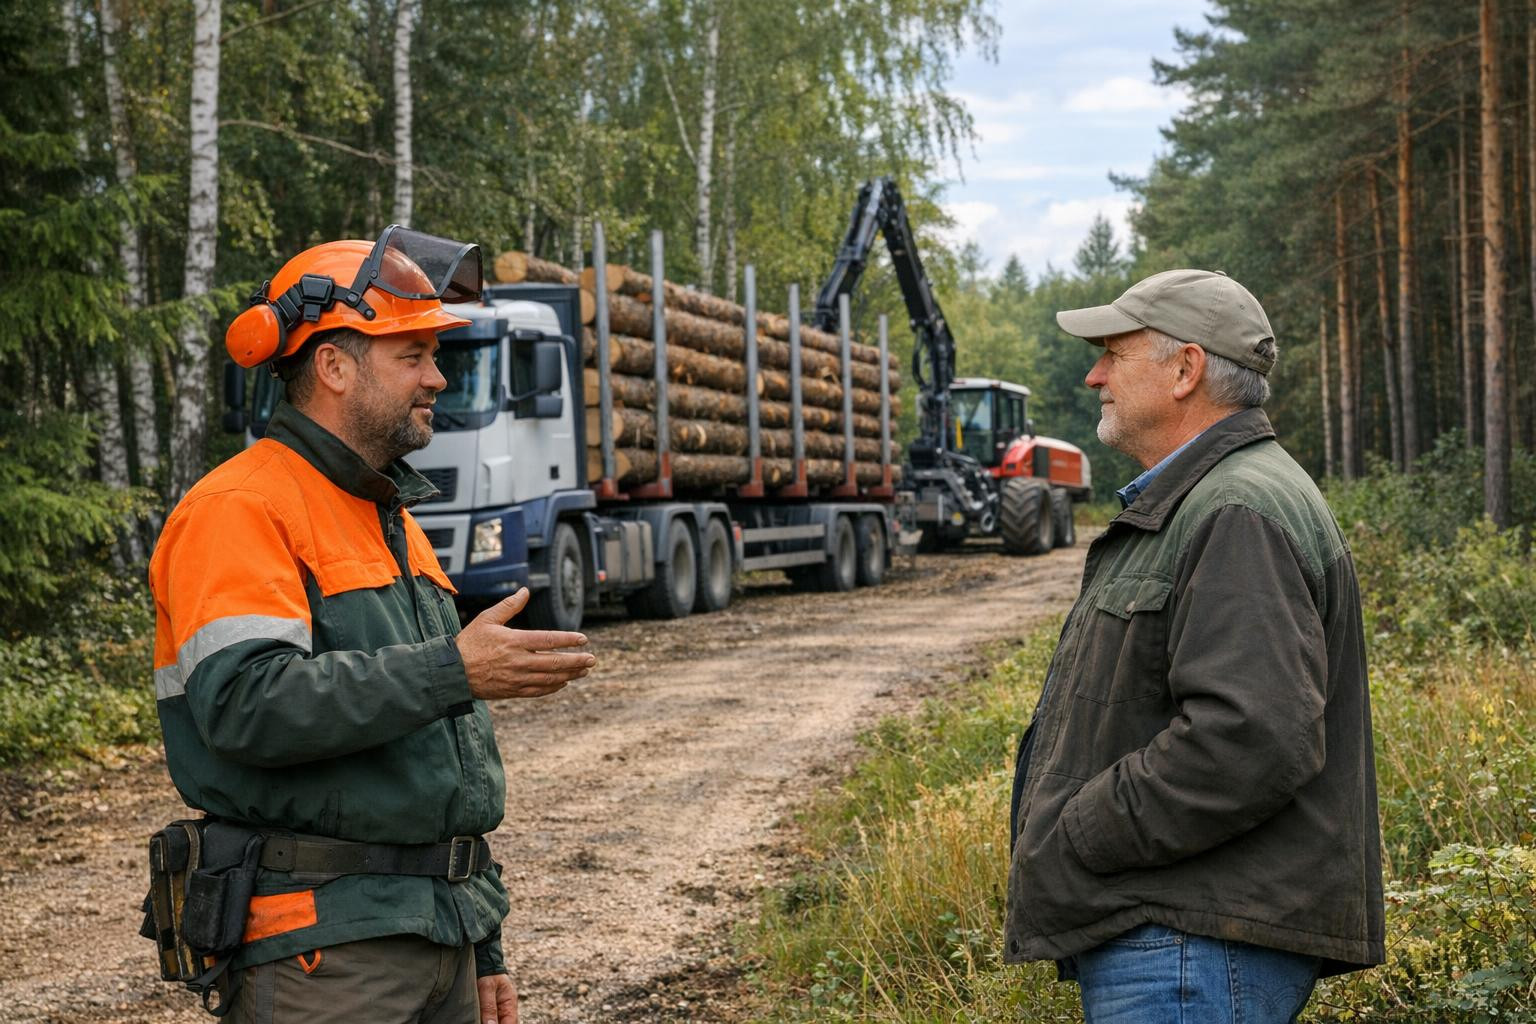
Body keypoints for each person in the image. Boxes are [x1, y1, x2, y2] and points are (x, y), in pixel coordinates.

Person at [148, 228, 595, 1023]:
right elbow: (246, 707)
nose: (437, 377)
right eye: (412, 354)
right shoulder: (239, 509)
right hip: (326, 955)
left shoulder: (385, 513)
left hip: (434, 938)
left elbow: (435, 772)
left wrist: (481, 943)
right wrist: (456, 670)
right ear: (333, 366)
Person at [1004, 269, 1384, 1023]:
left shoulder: (1235, 507)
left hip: (1189, 945)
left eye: (1114, 352)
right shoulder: (1208, 500)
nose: (1094, 374)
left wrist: (1080, 828)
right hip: (1185, 937)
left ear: (1186, 370)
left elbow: (1251, 737)